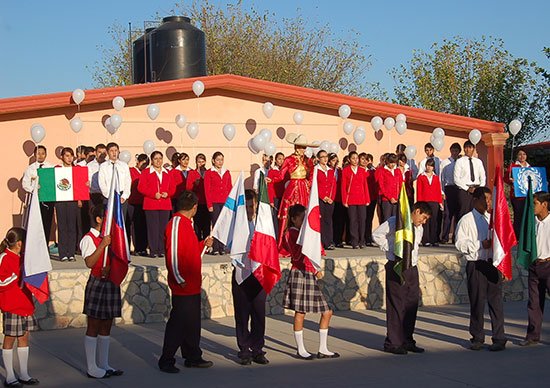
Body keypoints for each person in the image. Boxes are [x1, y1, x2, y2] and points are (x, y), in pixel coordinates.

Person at [159, 191, 214, 373]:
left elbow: (190, 252)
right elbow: (172, 254)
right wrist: (179, 278)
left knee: (192, 323)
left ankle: (193, 356)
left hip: (192, 283)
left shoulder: (187, 225)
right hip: (183, 284)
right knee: (178, 324)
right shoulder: (176, 224)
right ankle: (166, 359)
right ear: (195, 207)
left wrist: (203, 244)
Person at [372, 201, 432, 355]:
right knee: (396, 304)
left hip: (411, 267)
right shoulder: (395, 221)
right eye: (423, 218)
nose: (423, 222)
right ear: (417, 211)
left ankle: (407, 339)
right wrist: (392, 249)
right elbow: (377, 234)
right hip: (396, 265)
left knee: (411, 305)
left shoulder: (419, 228)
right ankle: (393, 342)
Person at [282, 204, 339, 360]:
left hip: (309, 273)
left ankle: (323, 348)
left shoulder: (305, 233)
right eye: (302, 218)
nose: (305, 221)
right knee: (300, 312)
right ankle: (300, 349)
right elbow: (300, 253)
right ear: (293, 219)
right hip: (299, 273)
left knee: (327, 311)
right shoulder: (291, 233)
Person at [455, 187, 507, 351]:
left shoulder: (492, 219)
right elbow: (460, 243)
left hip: (492, 264)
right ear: (475, 200)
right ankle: (477, 337)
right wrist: (479, 245)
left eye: (490, 199)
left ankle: (499, 338)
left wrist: (503, 265)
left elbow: (501, 243)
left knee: (496, 302)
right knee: (477, 302)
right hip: (476, 263)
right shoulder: (466, 220)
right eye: (484, 199)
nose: (488, 203)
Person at [80, 204, 123, 379]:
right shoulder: (88, 239)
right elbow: (89, 262)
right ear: (98, 219)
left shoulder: (112, 237)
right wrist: (102, 245)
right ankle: (92, 367)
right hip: (97, 283)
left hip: (110, 282)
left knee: (107, 323)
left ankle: (104, 363)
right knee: (94, 324)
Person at [231, 190, 269, 365]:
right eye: (245, 206)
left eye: (251, 206)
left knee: (259, 314)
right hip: (241, 274)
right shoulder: (235, 226)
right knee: (242, 314)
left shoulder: (262, 225)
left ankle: (258, 349)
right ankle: (244, 349)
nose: (248, 210)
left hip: (259, 274)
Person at [0, 227, 39, 387]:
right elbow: (1, 282)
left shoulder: (24, 257)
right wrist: (17, 274)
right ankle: (10, 375)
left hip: (25, 303)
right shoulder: (4, 258)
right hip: (12, 305)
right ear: (19, 243)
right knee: (10, 339)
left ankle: (24, 373)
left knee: (24, 337)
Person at [270, 134, 315, 254]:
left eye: (305, 147)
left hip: (304, 189)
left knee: (305, 214)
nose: (303, 150)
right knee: (289, 215)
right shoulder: (289, 159)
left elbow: (311, 176)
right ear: (296, 147)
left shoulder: (308, 160)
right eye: (301, 147)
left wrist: (308, 184)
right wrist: (272, 179)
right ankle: (287, 243)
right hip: (293, 188)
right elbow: (281, 175)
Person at [519, 191, 550, 346]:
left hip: (549, 263)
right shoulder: (532, 222)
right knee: (534, 303)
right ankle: (532, 335)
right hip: (535, 264)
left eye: (535, 203)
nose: (533, 207)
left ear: (544, 205)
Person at [138, 151, 175, 258]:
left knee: (163, 228)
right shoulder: (146, 172)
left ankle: (162, 249)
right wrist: (153, 194)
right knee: (153, 228)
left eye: (160, 158)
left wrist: (168, 193)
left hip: (165, 204)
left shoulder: (167, 172)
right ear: (152, 160)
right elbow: (141, 187)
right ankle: (153, 249)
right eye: (156, 159)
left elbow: (173, 188)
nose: (158, 161)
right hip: (151, 204)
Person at [22, 145, 54, 243]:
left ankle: (46, 245)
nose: (40, 156)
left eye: (42, 153)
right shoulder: (30, 169)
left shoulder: (51, 167)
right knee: (36, 224)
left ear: (46, 154)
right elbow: (25, 184)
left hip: (48, 199)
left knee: (47, 223)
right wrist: (34, 189)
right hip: (36, 199)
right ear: (34, 154)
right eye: (38, 153)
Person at [204, 152, 232, 255]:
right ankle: (215, 247)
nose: (220, 162)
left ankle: (222, 246)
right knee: (216, 224)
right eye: (218, 160)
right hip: (214, 202)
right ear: (213, 161)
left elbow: (229, 187)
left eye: (221, 160)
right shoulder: (209, 173)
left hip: (224, 202)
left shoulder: (226, 172)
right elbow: (207, 190)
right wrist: (209, 204)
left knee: (224, 225)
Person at [341, 151, 370, 249]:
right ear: (349, 159)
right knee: (353, 221)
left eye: (357, 158)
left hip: (361, 198)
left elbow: (365, 185)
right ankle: (354, 241)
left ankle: (362, 240)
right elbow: (343, 186)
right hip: (351, 199)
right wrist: (344, 200)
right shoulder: (345, 171)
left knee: (362, 220)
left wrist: (367, 198)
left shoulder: (362, 171)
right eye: (353, 158)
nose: (355, 160)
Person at [55, 147, 80, 262]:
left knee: (72, 227)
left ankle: (71, 253)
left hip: (72, 201)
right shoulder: (57, 169)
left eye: (71, 156)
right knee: (62, 227)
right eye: (67, 156)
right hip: (60, 201)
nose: (69, 158)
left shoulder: (76, 169)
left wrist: (80, 198)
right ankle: (63, 253)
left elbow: (80, 186)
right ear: (62, 157)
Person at [454, 140, 486, 222]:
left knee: (477, 212)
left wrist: (480, 188)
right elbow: (456, 178)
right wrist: (467, 188)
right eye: (466, 148)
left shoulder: (478, 162)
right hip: (465, 190)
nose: (468, 150)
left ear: (473, 149)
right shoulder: (460, 161)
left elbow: (482, 176)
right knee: (463, 213)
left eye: (470, 147)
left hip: (477, 189)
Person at [98, 142, 132, 217]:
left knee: (121, 220)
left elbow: (128, 181)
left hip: (121, 196)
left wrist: (124, 196)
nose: (114, 153)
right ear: (107, 152)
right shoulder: (103, 166)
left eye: (116, 150)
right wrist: (109, 196)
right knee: (109, 220)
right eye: (111, 151)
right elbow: (102, 183)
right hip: (109, 196)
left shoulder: (124, 165)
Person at [504, 148, 530, 238]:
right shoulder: (513, 166)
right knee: (518, 216)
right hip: (517, 196)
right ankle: (517, 236)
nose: (522, 156)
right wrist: (511, 181)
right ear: (517, 156)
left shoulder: (530, 167)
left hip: (528, 196)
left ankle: (527, 235)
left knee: (528, 216)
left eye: (524, 154)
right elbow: (506, 178)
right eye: (520, 154)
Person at [417, 158, 443, 246]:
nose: (429, 167)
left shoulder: (435, 177)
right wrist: (420, 203)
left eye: (431, 166)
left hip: (434, 201)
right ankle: (426, 239)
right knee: (425, 221)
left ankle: (434, 239)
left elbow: (438, 190)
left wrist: (440, 202)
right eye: (428, 165)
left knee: (434, 221)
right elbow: (419, 190)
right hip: (425, 201)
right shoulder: (421, 176)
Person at [127, 154, 149, 256]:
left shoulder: (147, 173)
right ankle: (135, 247)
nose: (144, 166)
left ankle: (143, 247)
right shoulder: (131, 171)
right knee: (134, 225)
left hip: (143, 202)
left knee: (143, 225)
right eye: (142, 163)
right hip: (132, 201)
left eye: (146, 164)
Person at [439, 142, 462, 243]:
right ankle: (444, 237)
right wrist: (442, 191)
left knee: (458, 214)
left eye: (456, 151)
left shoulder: (462, 162)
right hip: (449, 188)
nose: (454, 152)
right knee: (448, 214)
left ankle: (456, 237)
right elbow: (441, 178)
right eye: (453, 150)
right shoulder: (445, 163)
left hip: (459, 188)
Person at [186, 154, 210, 241]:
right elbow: (188, 188)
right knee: (197, 224)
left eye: (203, 162)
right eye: (199, 162)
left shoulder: (209, 172)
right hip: (197, 202)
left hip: (207, 202)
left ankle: (205, 244)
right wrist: (195, 185)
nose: (201, 164)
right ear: (196, 162)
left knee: (207, 224)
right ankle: (197, 242)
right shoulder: (192, 173)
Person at [316, 150, 337, 250]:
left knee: (328, 221)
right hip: (320, 199)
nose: (325, 159)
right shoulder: (316, 170)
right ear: (318, 159)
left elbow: (333, 185)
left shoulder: (331, 170)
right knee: (321, 221)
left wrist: (331, 197)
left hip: (330, 200)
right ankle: (321, 242)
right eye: (322, 157)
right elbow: (314, 185)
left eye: (326, 157)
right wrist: (323, 196)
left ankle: (329, 241)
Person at [328, 153, 347, 248]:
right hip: (330, 198)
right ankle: (330, 240)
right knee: (330, 220)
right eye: (333, 160)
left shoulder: (340, 171)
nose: (335, 162)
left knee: (340, 220)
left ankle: (338, 239)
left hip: (339, 198)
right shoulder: (327, 171)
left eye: (336, 161)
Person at [378, 153, 402, 222]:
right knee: (386, 219)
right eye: (391, 163)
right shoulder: (382, 171)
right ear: (387, 161)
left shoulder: (397, 171)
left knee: (395, 220)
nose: (392, 165)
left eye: (394, 163)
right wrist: (390, 197)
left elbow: (400, 184)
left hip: (396, 199)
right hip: (386, 199)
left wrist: (397, 196)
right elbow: (381, 186)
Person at [267, 152, 286, 238]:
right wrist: (271, 200)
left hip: (284, 197)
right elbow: (269, 186)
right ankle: (276, 237)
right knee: (275, 218)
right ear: (275, 160)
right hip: (275, 197)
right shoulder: (272, 171)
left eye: (283, 159)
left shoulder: (285, 171)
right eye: (279, 159)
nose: (281, 161)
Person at [365, 154, 378, 246]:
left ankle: (368, 238)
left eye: (369, 160)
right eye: (366, 160)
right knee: (362, 219)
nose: (367, 162)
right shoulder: (361, 170)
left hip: (372, 197)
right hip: (363, 197)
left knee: (369, 218)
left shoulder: (374, 171)